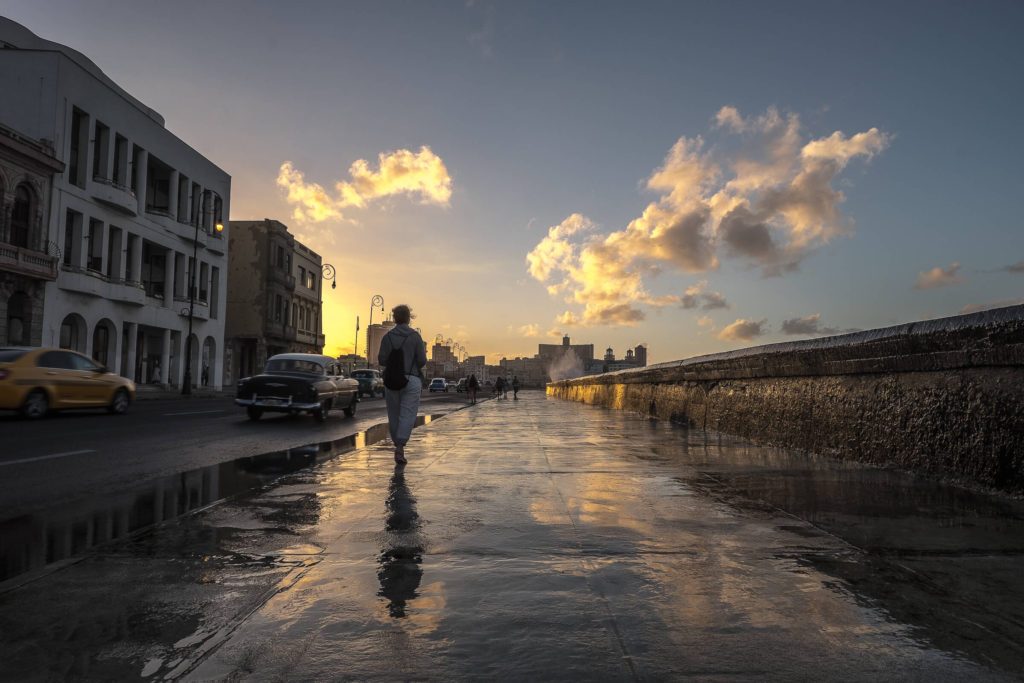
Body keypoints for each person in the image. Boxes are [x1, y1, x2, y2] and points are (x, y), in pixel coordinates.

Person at [378, 305, 427, 464]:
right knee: (408, 414)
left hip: (392, 379)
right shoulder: (415, 336)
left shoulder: (387, 337)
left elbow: (382, 360)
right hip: (411, 379)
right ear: (409, 317)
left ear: (394, 318)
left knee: (393, 414)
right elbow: (421, 360)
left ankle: (397, 444)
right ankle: (400, 446)